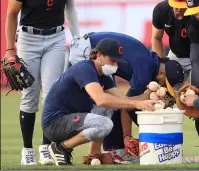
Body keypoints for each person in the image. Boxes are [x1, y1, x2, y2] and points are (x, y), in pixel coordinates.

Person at [4, 0, 80, 165]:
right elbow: (11, 15)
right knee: (30, 95)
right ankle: (27, 149)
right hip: (29, 39)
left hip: (56, 37)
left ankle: (46, 147)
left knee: (52, 94)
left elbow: (70, 8)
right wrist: (10, 49)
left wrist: (76, 37)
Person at [68, 31, 185, 159]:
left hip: (92, 46)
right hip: (88, 49)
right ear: (162, 73)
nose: (164, 88)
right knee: (99, 102)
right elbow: (127, 104)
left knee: (111, 103)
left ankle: (111, 151)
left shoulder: (152, 63)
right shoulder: (145, 70)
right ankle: (58, 146)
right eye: (165, 84)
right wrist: (127, 136)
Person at [42, 38, 159, 166]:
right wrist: (137, 104)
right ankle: (61, 148)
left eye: (117, 61)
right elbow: (101, 99)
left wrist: (147, 95)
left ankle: (94, 153)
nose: (115, 65)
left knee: (111, 107)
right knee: (105, 124)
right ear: (99, 55)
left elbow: (123, 101)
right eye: (112, 60)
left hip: (70, 120)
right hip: (55, 123)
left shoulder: (103, 75)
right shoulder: (84, 68)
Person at [151, 0, 199, 158]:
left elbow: (195, 61)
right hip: (175, 55)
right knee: (162, 95)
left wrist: (193, 91)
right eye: (175, 6)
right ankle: (160, 149)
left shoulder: (195, 17)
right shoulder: (161, 10)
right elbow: (156, 39)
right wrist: (160, 66)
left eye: (182, 7)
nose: (178, 11)